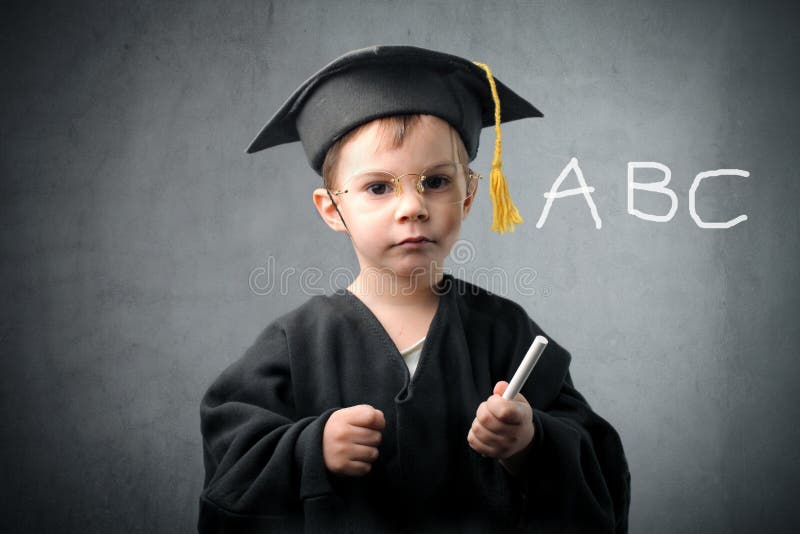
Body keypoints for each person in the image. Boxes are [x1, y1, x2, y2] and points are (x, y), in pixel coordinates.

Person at [198, 45, 630, 533]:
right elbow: (232, 466)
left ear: (467, 196)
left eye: (436, 181)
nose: (413, 207)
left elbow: (598, 463)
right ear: (331, 209)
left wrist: (530, 443)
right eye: (378, 187)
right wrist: (311, 449)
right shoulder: (295, 344)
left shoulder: (505, 330)